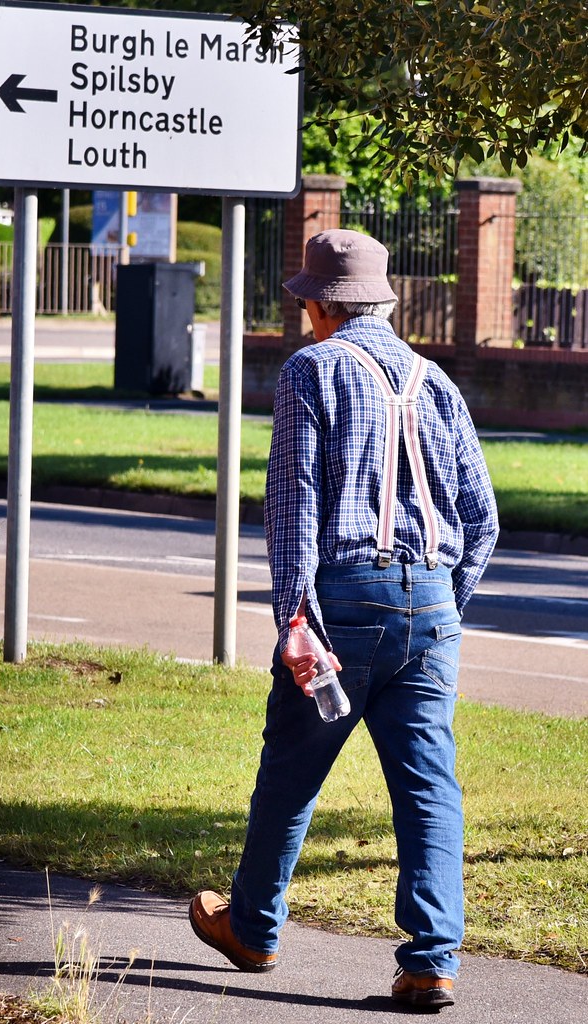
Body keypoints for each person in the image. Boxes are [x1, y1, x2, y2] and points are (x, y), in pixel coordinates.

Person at [190, 228, 499, 1009]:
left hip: (343, 598)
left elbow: (295, 506)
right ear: (382, 301)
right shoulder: (436, 380)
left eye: (307, 304)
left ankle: (254, 929)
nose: (305, 317)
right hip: (431, 599)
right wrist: (442, 607)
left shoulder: (310, 371)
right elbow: (483, 517)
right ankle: (431, 961)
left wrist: (293, 613)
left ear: (323, 306)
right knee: (430, 788)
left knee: (292, 769)